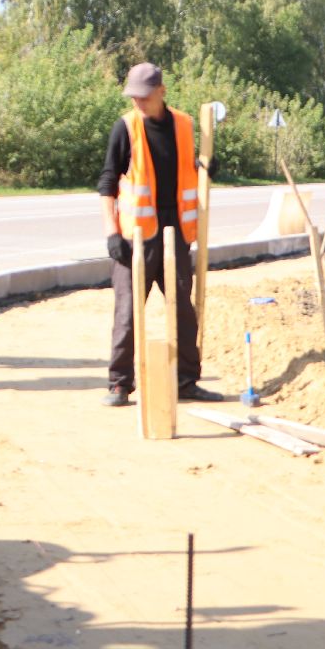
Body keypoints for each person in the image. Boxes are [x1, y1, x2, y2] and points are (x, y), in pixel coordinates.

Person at [97, 62, 222, 407]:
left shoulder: (183, 125)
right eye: (133, 96)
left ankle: (186, 381)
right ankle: (120, 385)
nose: (137, 102)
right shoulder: (125, 127)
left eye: (144, 96)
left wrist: (205, 169)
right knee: (127, 312)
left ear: (161, 92)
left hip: (176, 233)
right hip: (135, 239)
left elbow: (184, 168)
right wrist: (111, 233)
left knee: (183, 310)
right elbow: (108, 182)